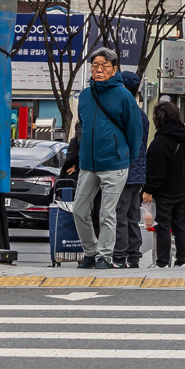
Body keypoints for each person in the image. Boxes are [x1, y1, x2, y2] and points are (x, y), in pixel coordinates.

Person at [68, 47, 145, 271]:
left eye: (104, 66)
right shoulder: (85, 95)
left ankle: (104, 256)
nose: (99, 70)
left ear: (114, 70)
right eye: (95, 66)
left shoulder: (123, 96)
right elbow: (81, 124)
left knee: (107, 212)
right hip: (88, 164)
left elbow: (135, 131)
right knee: (79, 210)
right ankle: (90, 252)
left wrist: (126, 157)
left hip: (115, 163)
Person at [143, 100, 185, 268]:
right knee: (180, 224)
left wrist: (148, 190)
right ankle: (182, 260)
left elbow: (154, 171)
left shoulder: (159, 142)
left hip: (165, 191)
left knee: (163, 225)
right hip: (182, 188)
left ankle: (163, 262)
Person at [112, 71, 148, 269]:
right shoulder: (141, 114)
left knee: (120, 215)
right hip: (138, 172)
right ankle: (133, 254)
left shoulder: (125, 113)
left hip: (125, 170)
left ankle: (119, 255)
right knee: (132, 216)